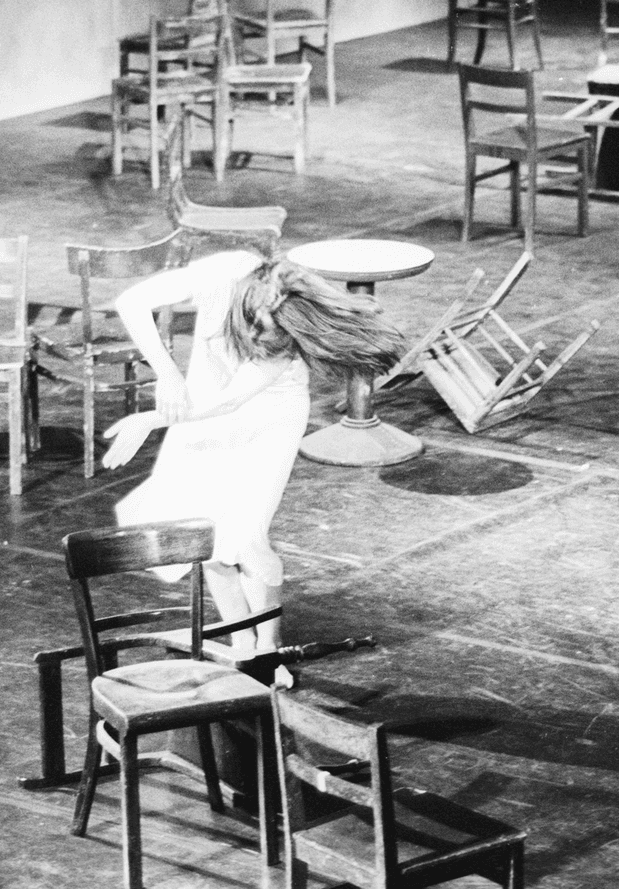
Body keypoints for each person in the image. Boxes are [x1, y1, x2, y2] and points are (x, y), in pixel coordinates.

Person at [102, 250, 405, 679]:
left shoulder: (279, 347)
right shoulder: (224, 271)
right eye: (254, 324)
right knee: (202, 533)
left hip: (268, 416)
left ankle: (268, 648)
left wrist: (149, 420)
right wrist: (166, 374)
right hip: (199, 403)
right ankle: (241, 640)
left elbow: (231, 402)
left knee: (246, 537)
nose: (256, 334)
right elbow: (131, 301)